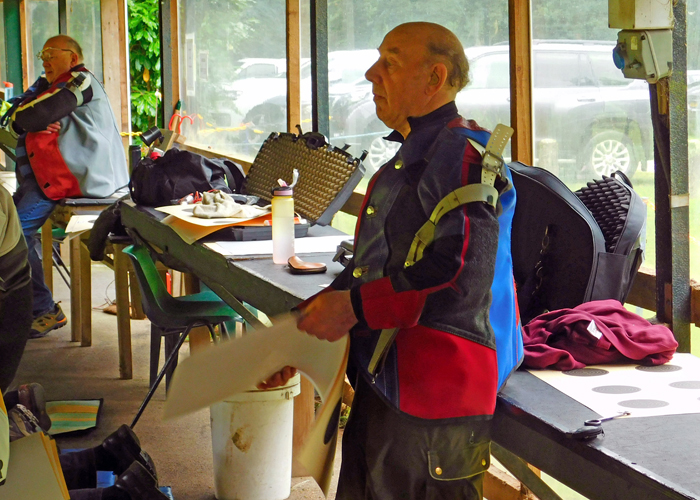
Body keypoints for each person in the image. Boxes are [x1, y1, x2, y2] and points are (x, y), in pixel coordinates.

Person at [262, 22, 518, 499]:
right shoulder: (409, 163)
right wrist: (300, 332)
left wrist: (355, 308)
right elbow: (374, 270)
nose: (370, 73)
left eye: (390, 63)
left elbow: (460, 280)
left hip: (438, 404)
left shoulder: (466, 159)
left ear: (434, 77)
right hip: (386, 386)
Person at [3, 34, 129, 338]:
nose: (44, 60)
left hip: (80, 179)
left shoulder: (80, 80)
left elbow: (34, 114)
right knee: (9, 232)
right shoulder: (49, 87)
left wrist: (33, 118)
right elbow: (13, 117)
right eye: (41, 54)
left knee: (15, 238)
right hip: (51, 177)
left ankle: (43, 310)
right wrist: (30, 118)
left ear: (73, 58)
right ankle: (34, 308)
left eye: (51, 53)